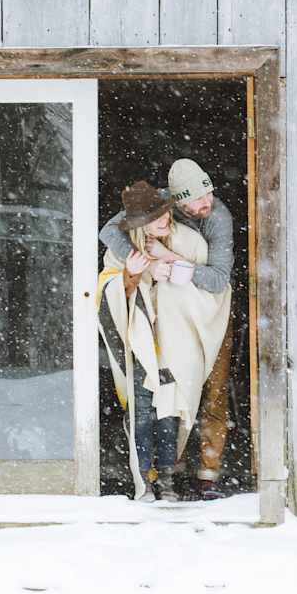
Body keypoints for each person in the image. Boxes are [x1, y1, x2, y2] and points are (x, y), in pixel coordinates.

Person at [99, 158, 235, 499]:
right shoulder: (158, 203)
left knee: (213, 391)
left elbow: (218, 280)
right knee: (163, 397)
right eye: (198, 199)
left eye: (209, 193)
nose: (207, 202)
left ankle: (208, 474)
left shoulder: (217, 218)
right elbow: (109, 232)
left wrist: (172, 262)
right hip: (167, 322)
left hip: (208, 312)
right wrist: (143, 260)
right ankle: (158, 474)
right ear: (176, 200)